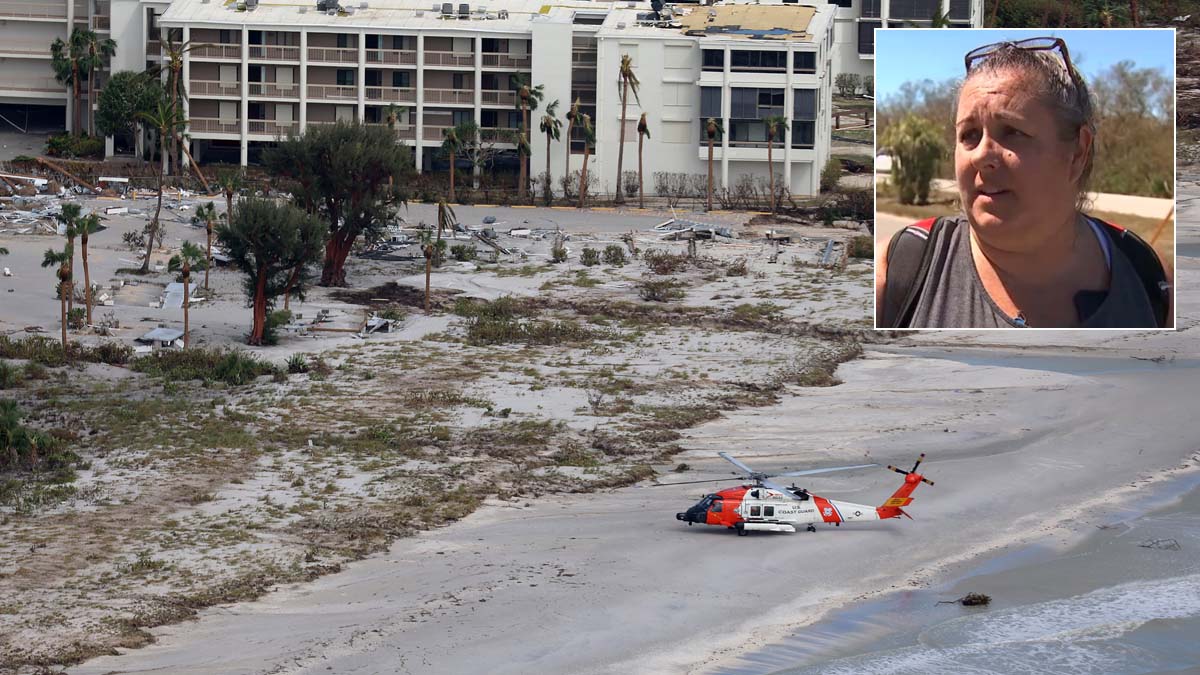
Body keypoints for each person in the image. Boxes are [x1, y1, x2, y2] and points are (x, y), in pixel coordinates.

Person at [877, 37, 1172, 329]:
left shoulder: (1149, 277)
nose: (981, 155)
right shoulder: (898, 270)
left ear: (1077, 152)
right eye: (969, 134)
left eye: (1012, 132)